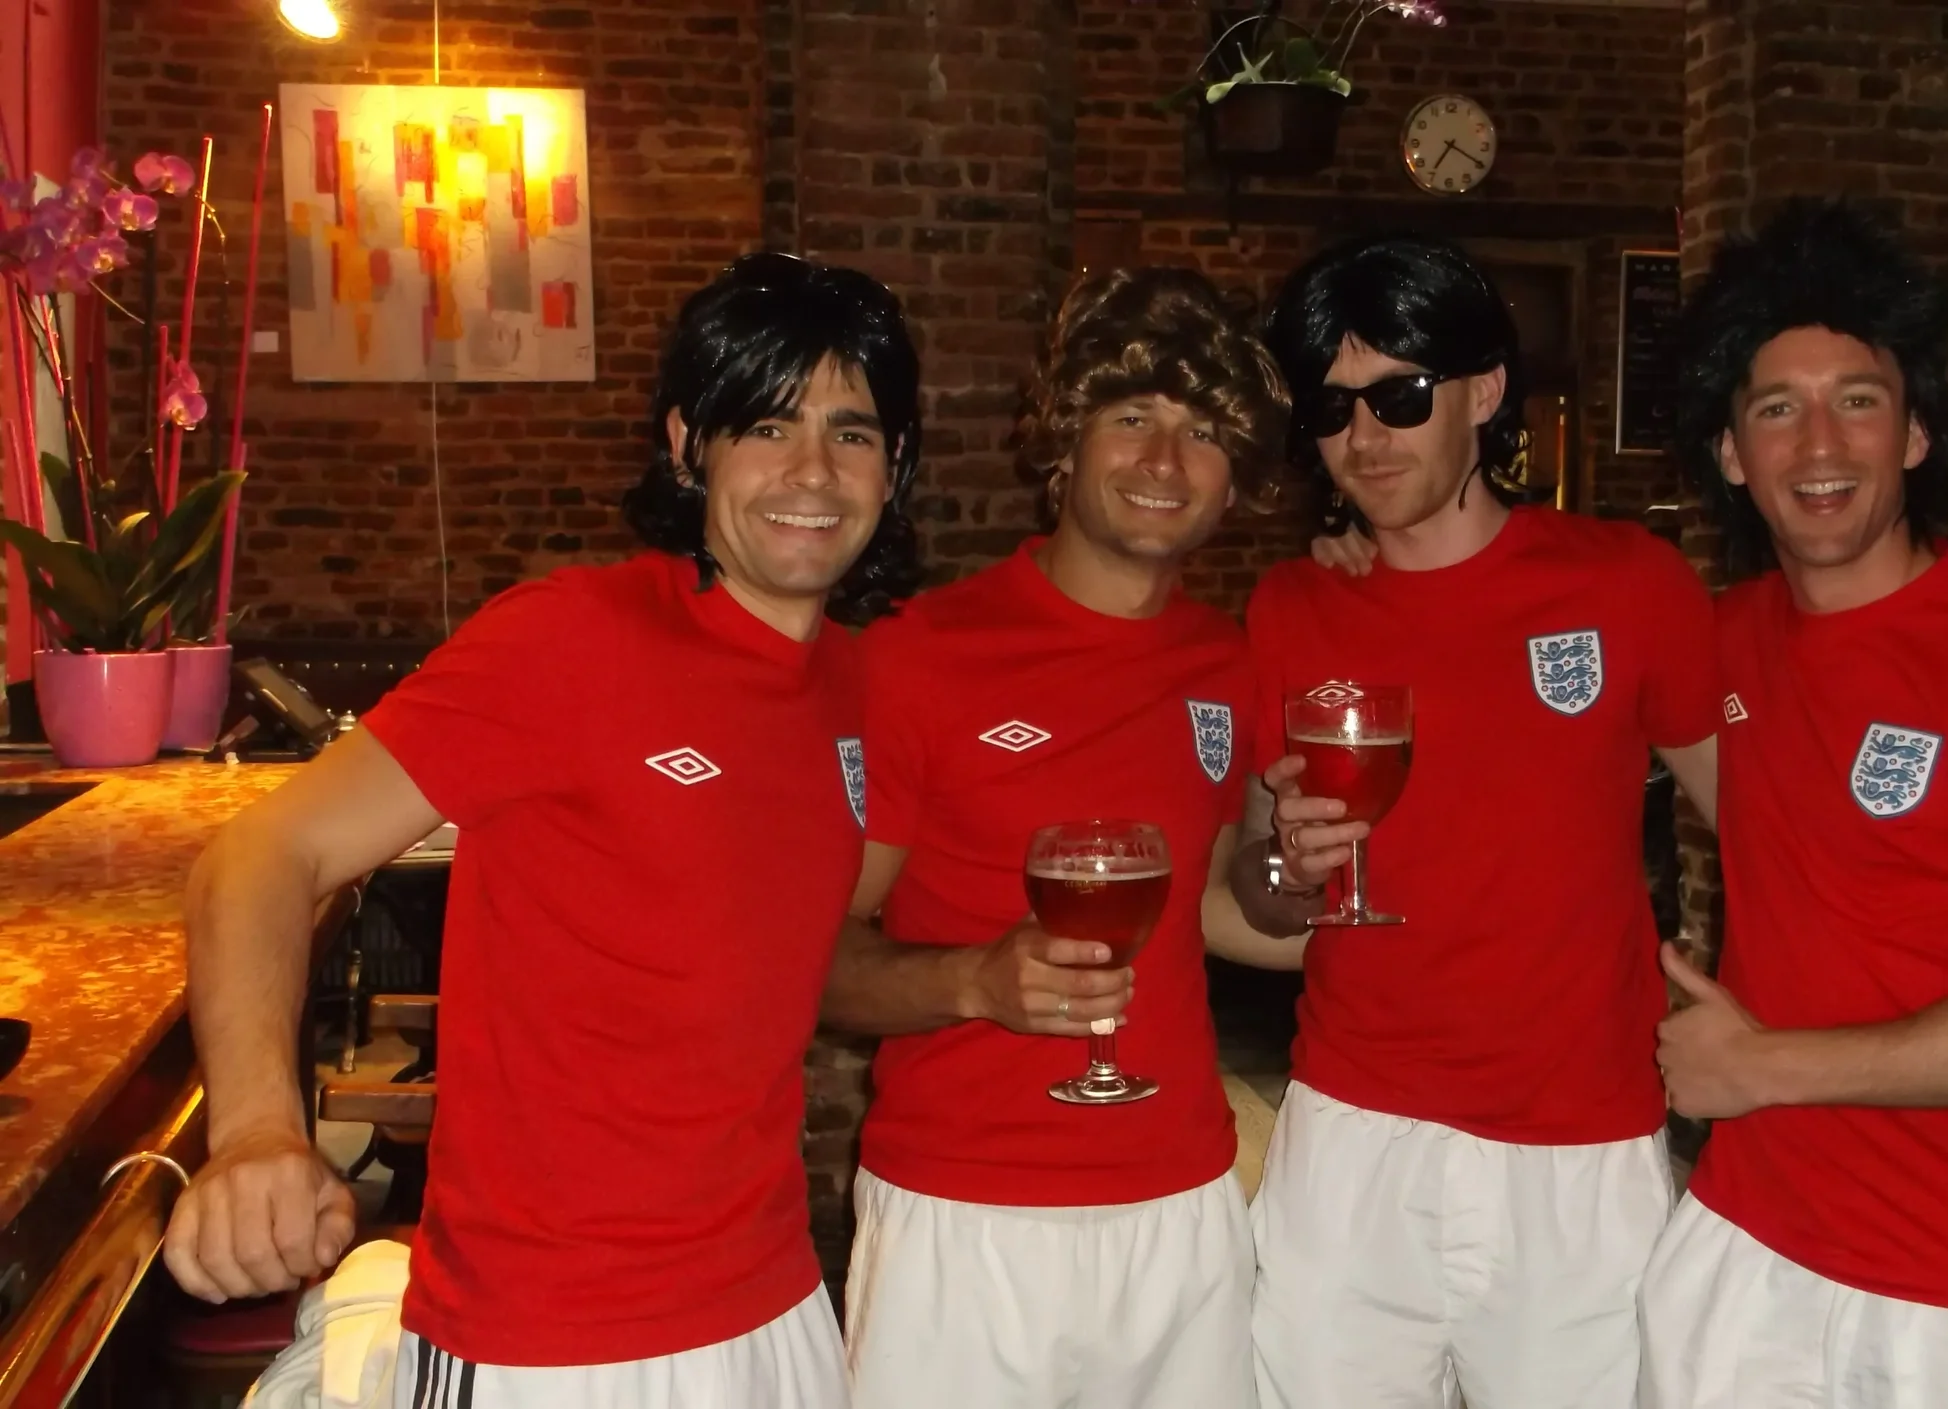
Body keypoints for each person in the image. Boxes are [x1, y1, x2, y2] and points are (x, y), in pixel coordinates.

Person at [163, 252, 922, 1407]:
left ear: (895, 465)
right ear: (686, 446)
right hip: (546, 1335)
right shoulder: (569, 637)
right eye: (766, 424)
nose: (811, 469)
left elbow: (813, 939)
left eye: (853, 432)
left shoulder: (858, 692)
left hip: (774, 1309)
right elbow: (264, 854)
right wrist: (261, 1130)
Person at [1637, 198, 1948, 1408]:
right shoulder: (1715, 644)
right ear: (1728, 453)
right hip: (1748, 1252)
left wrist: (1764, 1068)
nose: (1820, 442)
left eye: (1857, 398)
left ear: (1914, 434)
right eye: (1775, 407)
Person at [1224, 233, 1722, 1408]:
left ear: (1483, 392)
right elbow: (1255, 879)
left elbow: (1758, 821)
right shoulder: (1293, 601)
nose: (1365, 438)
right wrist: (1287, 875)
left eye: (1399, 396)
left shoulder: (1624, 583)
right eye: (1335, 408)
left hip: (1580, 1143)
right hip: (1351, 1135)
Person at [822, 265, 1293, 1408]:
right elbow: (819, 958)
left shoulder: (1230, 663)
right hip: (963, 1212)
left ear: (1237, 483)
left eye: (1201, 433)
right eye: (1132, 418)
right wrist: (978, 980)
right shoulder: (918, 654)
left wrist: (1307, 886)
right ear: (1065, 445)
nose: (1162, 462)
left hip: (1180, 1200)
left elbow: (1220, 908)